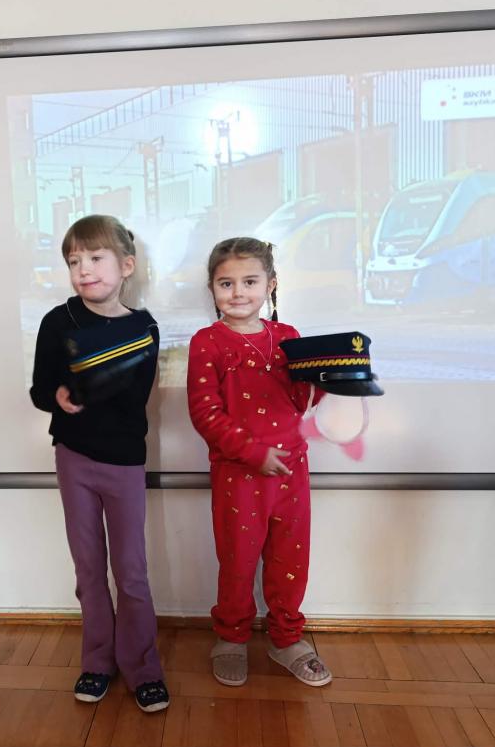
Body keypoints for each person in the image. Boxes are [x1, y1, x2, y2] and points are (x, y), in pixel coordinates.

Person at [29, 214, 169, 713]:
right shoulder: (57, 321)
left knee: (130, 571)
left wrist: (97, 377)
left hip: (124, 462)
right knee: (89, 568)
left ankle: (144, 668)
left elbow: (132, 398)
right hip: (73, 459)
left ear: (126, 265)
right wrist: (58, 395)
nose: (83, 269)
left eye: (94, 258)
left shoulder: (144, 327)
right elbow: (39, 390)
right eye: (73, 261)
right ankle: (97, 662)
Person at [186, 236, 333, 688]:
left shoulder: (287, 337)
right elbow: (205, 413)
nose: (238, 292)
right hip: (239, 475)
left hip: (292, 470)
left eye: (249, 282)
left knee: (291, 558)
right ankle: (230, 639)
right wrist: (254, 454)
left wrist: (327, 380)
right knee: (238, 561)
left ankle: (286, 639)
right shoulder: (207, 342)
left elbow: (300, 400)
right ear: (212, 289)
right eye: (226, 283)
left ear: (270, 285)